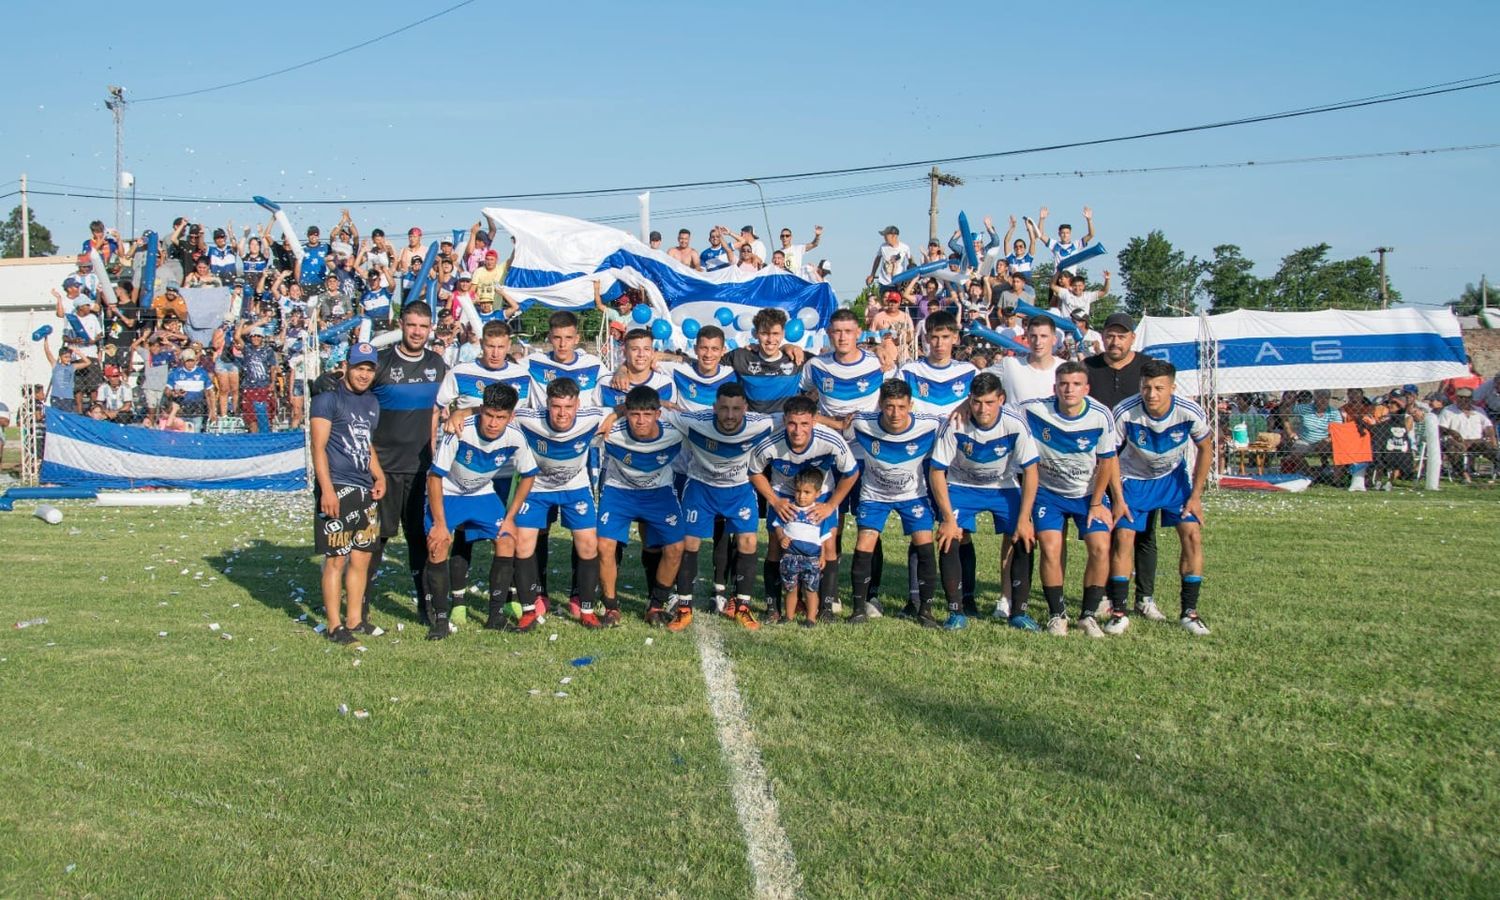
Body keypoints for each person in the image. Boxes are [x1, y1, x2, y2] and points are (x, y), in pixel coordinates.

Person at [421, 383, 538, 640]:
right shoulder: (460, 431)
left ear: (510, 417)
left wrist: (510, 518)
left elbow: (529, 475)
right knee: (438, 544)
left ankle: (495, 616)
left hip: (481, 493)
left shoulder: (515, 437)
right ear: (480, 410)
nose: (494, 423)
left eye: (501, 417)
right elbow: (434, 477)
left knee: (507, 539)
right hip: (449, 493)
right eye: (489, 415)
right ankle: (440, 620)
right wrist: (440, 524)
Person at [1106, 359, 1213, 636]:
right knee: (1124, 537)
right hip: (1134, 481)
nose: (1151, 394)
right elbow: (1109, 456)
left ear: (1172, 388)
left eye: (1158, 388)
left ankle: (1189, 612)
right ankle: (1118, 611)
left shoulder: (1189, 411)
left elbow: (1206, 448)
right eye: (1146, 387)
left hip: (1173, 481)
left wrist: (1196, 495)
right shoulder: (1125, 412)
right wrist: (1118, 497)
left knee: (1191, 534)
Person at [929, 372, 1040, 630]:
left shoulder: (1015, 424)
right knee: (950, 537)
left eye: (989, 402)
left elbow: (1032, 471)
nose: (982, 409)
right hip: (962, 485)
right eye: (977, 402)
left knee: (1024, 536)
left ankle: (1019, 612)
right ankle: (957, 610)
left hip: (1003, 487)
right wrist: (947, 518)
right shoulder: (955, 424)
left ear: (1001, 399)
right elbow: (937, 471)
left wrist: (1024, 519)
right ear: (970, 400)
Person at [1023, 361, 1117, 637]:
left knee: (1100, 547)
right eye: (1064, 384)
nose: (1069, 389)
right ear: (1055, 387)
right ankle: (1057, 615)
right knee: (1051, 548)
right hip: (1048, 493)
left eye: (1076, 384)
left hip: (1088, 495)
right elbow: (998, 407)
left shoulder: (1101, 415)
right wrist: (964, 406)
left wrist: (1098, 502)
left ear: (1086, 388)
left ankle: (1088, 615)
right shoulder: (1035, 409)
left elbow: (1107, 461)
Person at [369, 301, 449, 623]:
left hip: (420, 471)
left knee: (420, 538)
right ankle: (360, 602)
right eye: (412, 325)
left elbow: (446, 409)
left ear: (430, 329)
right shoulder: (382, 364)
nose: (417, 332)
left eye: (423, 326)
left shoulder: (437, 365)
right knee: (377, 539)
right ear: (401, 324)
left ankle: (425, 605)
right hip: (384, 470)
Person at [671, 382, 775, 628]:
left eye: (736, 409)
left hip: (739, 490)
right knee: (689, 542)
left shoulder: (762, 423)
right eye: (724, 408)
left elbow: (798, 416)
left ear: (745, 409)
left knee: (748, 541)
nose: (730, 415)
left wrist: (837, 424)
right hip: (701, 487)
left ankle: (742, 606)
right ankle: (684, 606)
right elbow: (658, 412)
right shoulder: (694, 421)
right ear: (714, 407)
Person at [748, 395, 859, 621]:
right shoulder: (771, 443)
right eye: (792, 423)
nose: (798, 430)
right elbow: (754, 471)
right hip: (784, 496)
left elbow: (851, 472)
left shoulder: (831, 441)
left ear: (814, 421)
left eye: (804, 424)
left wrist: (830, 505)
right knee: (776, 547)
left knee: (827, 548)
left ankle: (826, 608)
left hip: (821, 496)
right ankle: (773, 607)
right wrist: (774, 500)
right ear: (785, 420)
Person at [845, 379, 945, 626]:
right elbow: (839, 426)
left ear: (910, 405)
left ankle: (926, 610)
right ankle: (858, 609)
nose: (895, 413)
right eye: (889, 406)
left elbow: (959, 424)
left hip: (913, 495)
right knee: (864, 543)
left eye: (901, 407)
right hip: (874, 495)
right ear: (880, 404)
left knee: (924, 543)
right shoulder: (862, 423)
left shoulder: (930, 425)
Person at [511, 378, 608, 631]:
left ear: (578, 405)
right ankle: (528, 610)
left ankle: (586, 610)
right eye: (556, 407)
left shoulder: (593, 416)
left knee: (588, 544)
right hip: (537, 488)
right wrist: (463, 412)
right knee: (522, 544)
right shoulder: (527, 418)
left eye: (568, 407)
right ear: (547, 404)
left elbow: (622, 410)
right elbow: (498, 412)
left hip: (575, 488)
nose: (562, 413)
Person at [310, 342, 386, 646]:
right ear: (347, 366)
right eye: (359, 368)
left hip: (364, 487)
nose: (364, 374)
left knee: (361, 557)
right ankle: (334, 624)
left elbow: (365, 444)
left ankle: (355, 619)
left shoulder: (371, 403)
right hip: (337, 486)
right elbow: (318, 447)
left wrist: (378, 474)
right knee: (336, 559)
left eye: (369, 369)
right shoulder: (327, 400)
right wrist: (326, 489)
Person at [597, 387, 688, 629]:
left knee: (677, 547)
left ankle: (656, 605)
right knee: (604, 545)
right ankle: (611, 607)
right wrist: (613, 415)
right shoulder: (611, 429)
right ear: (626, 412)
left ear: (658, 414)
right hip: (619, 492)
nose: (640, 421)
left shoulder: (676, 430)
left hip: (659, 493)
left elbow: (709, 421)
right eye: (634, 414)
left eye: (647, 415)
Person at [724, 308, 805, 421]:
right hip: (754, 426)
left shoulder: (796, 358)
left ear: (783, 334)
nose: (770, 339)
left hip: (785, 426)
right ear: (756, 334)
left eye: (775, 333)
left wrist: (787, 347)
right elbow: (709, 361)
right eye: (764, 333)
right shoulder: (741, 356)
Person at [777, 468, 833, 626]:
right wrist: (782, 537)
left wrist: (822, 556)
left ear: (817, 493)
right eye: (798, 491)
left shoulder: (818, 513)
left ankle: (811, 618)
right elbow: (778, 526)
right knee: (790, 588)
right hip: (790, 557)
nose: (801, 496)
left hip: (812, 559)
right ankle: (788, 616)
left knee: (810, 590)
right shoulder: (789, 509)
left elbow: (823, 538)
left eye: (807, 492)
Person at [527, 310, 603, 408]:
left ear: (577, 339)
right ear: (549, 338)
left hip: (583, 422)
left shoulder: (593, 364)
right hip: (543, 422)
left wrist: (621, 370)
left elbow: (614, 380)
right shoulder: (534, 362)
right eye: (557, 338)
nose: (562, 344)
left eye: (568, 338)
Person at [993, 315, 1063, 405]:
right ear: (1028, 339)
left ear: (1054, 340)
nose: (1038, 342)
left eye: (1043, 336)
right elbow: (976, 378)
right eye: (1033, 336)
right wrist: (969, 402)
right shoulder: (1009, 364)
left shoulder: (1064, 369)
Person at [601, 328, 675, 407]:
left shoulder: (665, 384)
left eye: (646, 349)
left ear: (652, 352)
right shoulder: (606, 383)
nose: (641, 354)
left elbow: (672, 416)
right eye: (634, 349)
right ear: (625, 353)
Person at [1438, 387, 1498, 483]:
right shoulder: (1448, 410)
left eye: (1466, 398)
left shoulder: (1479, 411)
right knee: (1453, 449)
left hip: (1476, 441)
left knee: (1492, 448)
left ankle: (1497, 472)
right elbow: (1440, 427)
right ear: (1456, 398)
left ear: (1471, 399)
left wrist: (1492, 437)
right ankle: (1464, 475)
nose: (1463, 400)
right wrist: (1452, 432)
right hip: (1458, 441)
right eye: (1460, 397)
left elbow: (1488, 426)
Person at [236, 325, 279, 433]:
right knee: (251, 416)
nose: (255, 338)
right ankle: (254, 437)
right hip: (249, 386)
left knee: (267, 414)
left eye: (258, 336)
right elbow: (237, 337)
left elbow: (273, 367)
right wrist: (242, 322)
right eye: (253, 336)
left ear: (262, 338)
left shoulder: (268, 351)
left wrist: (273, 383)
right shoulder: (247, 349)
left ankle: (266, 436)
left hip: (264, 385)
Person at [1033, 205, 1096, 270]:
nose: (1065, 235)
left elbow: (1091, 235)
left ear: (1070, 234)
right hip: (1058, 277)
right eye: (1063, 233)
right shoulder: (1054, 244)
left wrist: (1089, 220)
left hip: (1071, 278)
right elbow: (1040, 235)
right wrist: (1042, 219)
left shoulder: (1076, 244)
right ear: (1059, 234)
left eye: (1067, 233)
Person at [165, 348, 213, 431]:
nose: (190, 363)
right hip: (180, 412)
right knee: (180, 437)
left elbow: (210, 393)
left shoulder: (202, 373)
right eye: (188, 361)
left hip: (198, 411)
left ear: (196, 360)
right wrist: (175, 393)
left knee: (195, 435)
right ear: (183, 361)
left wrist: (212, 410)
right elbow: (167, 391)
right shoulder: (175, 373)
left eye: (192, 361)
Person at [43, 342, 88, 412]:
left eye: (69, 357)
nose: (68, 359)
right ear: (60, 357)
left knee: (66, 416)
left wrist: (78, 353)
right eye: (65, 357)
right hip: (56, 397)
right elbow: (47, 352)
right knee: (57, 416)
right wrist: (46, 339)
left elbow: (88, 362)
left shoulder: (72, 367)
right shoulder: (56, 365)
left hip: (68, 398)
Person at [866, 226, 913, 291]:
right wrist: (872, 274)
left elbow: (911, 261)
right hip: (884, 282)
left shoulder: (905, 247)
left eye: (886, 235)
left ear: (894, 236)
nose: (884, 237)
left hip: (899, 282)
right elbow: (877, 260)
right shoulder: (883, 246)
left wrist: (911, 275)